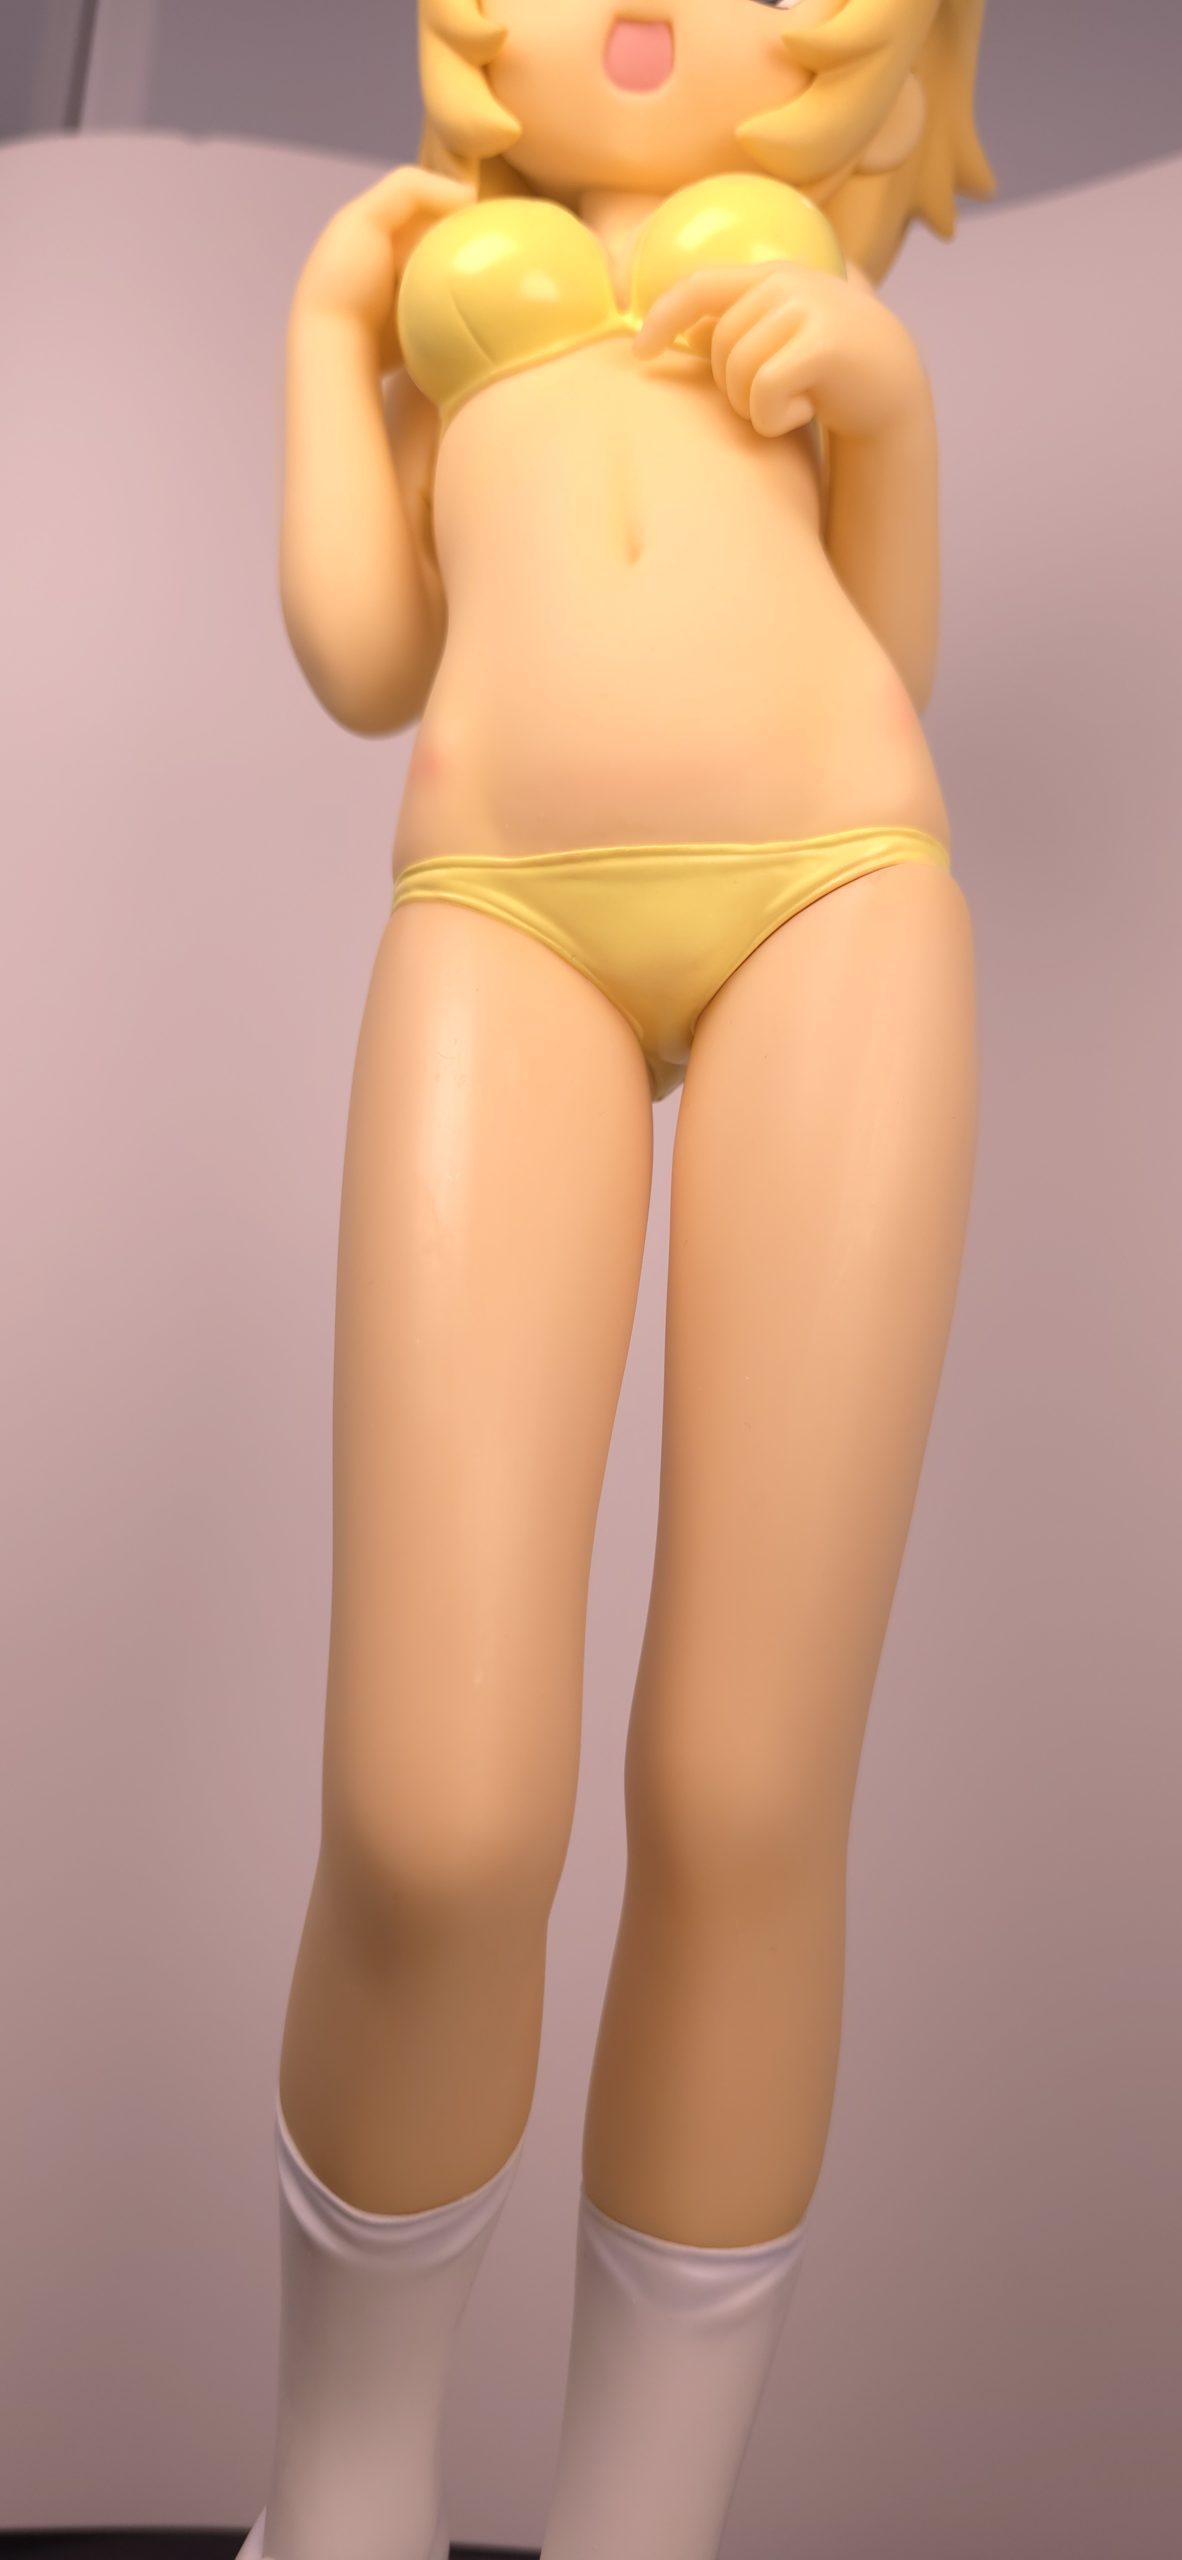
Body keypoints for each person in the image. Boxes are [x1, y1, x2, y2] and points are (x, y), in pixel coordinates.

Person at [239, 4, 993, 2554]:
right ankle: (334, 2497)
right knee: (436, 1804)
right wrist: (327, 337)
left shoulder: (824, 283)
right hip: (501, 902)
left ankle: (644, 2526)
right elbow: (365, 654)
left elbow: (889, 657)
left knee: (748, 1789)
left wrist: (885, 408)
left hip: (839, 892)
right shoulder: (442, 272)